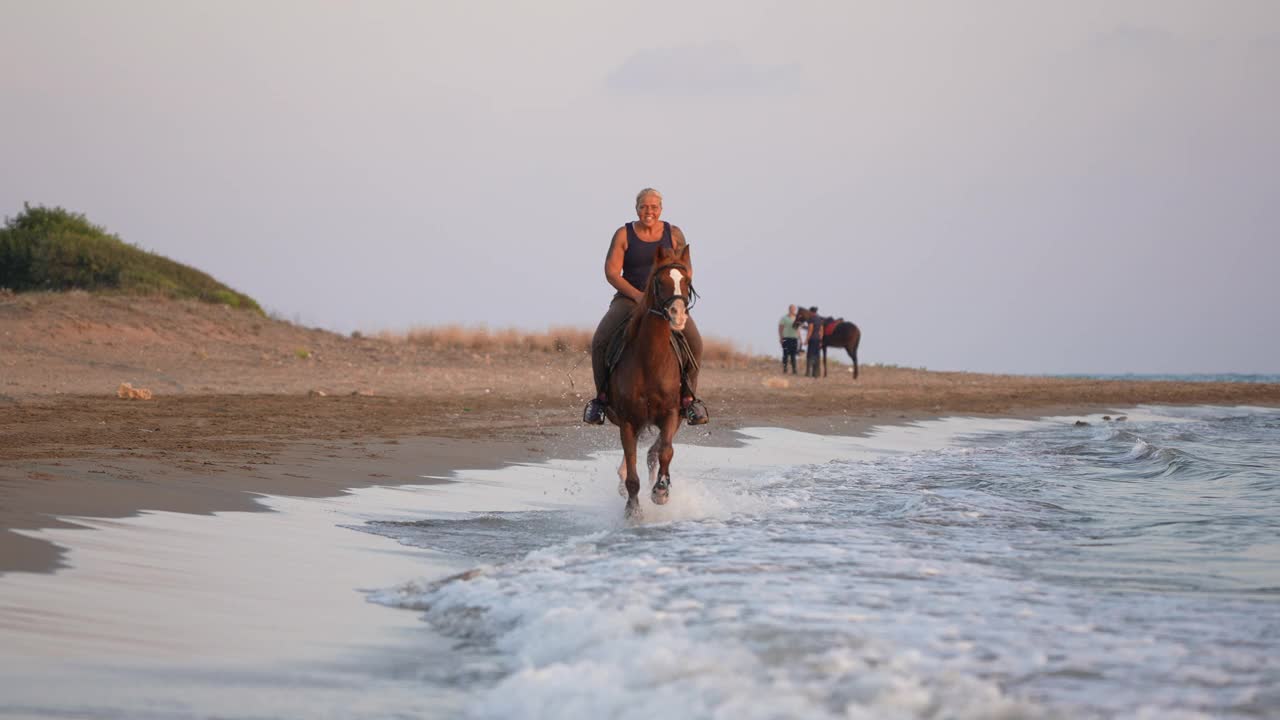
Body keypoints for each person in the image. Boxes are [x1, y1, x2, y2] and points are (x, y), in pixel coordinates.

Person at [583, 188, 709, 425]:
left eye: (653, 207)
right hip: (630, 300)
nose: (648, 211)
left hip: (667, 302)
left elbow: (686, 268)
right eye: (644, 206)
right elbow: (612, 272)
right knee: (600, 340)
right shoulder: (624, 234)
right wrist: (639, 296)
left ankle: (689, 400)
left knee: (695, 343)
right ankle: (600, 400)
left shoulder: (674, 234)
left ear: (661, 209)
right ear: (637, 208)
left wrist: (674, 294)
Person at [778, 304, 800, 374]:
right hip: (786, 338)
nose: (793, 310)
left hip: (794, 338)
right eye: (792, 309)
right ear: (789, 309)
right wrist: (781, 337)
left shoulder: (797, 318)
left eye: (794, 309)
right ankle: (785, 369)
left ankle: (794, 370)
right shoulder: (784, 318)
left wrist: (800, 339)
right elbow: (780, 328)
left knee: (793, 355)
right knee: (785, 354)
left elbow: (798, 329)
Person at [804, 306, 823, 378]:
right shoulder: (819, 319)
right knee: (817, 356)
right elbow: (821, 330)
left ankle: (808, 372)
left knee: (810, 356)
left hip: (812, 339)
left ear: (811, 312)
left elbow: (810, 330)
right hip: (818, 339)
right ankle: (816, 373)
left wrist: (806, 340)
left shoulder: (811, 319)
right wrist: (821, 340)